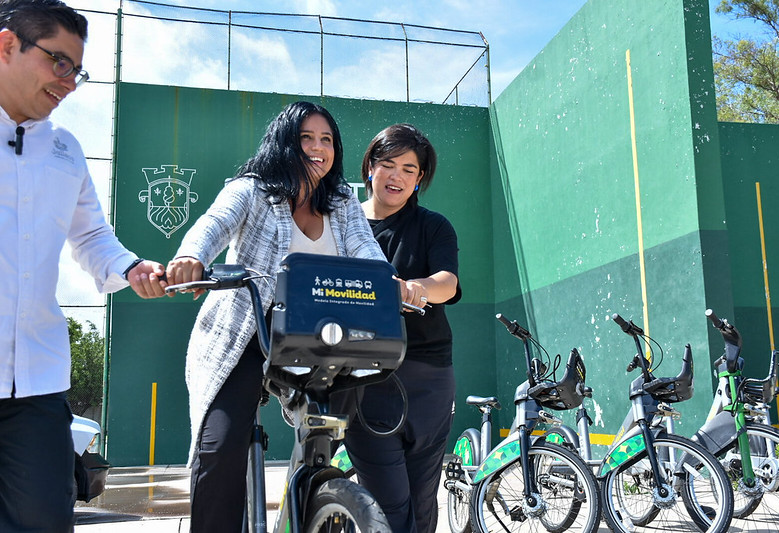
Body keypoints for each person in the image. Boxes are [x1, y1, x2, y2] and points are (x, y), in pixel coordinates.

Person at [166, 101, 387, 532]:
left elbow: (367, 251)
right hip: (248, 333)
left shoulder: (341, 201)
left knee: (324, 437)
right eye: (306, 138)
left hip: (320, 335)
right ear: (286, 141)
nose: (318, 148)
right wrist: (191, 256)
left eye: (327, 140)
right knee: (220, 446)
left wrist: (389, 281)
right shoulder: (252, 189)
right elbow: (213, 223)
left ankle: (311, 506)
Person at [0, 0, 167, 530]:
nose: (69, 81)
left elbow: (93, 236)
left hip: (37, 383)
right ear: (6, 46)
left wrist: (134, 268)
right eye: (58, 62)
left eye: (77, 68)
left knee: (45, 519)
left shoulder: (66, 151)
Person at [344, 123, 461, 533]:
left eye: (409, 169)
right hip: (364, 375)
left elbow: (448, 282)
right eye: (387, 164)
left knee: (422, 499)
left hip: (429, 376)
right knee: (387, 503)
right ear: (369, 168)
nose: (397, 176)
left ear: (419, 179)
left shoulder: (434, 227)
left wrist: (416, 289)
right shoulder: (342, 226)